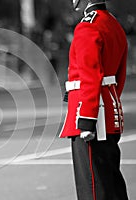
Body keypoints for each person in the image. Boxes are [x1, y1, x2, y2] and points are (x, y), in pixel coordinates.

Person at [59, 0, 129, 199]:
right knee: (111, 185)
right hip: (108, 112)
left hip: (92, 115)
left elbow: (90, 76)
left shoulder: (87, 27)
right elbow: (118, 76)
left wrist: (87, 121)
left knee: (93, 189)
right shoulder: (113, 23)